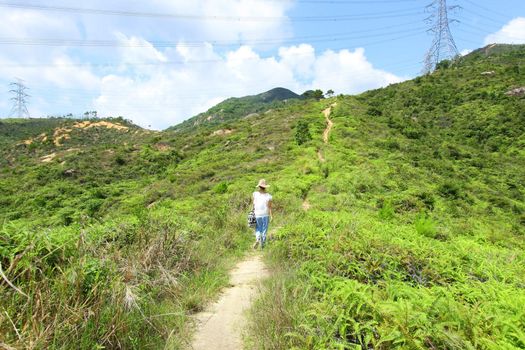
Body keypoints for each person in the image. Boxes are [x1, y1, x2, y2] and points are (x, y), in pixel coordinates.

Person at [252, 179, 272, 249]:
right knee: (264, 229)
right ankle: (263, 244)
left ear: (259, 186)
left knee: (258, 228)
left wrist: (252, 212)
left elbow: (253, 205)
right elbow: (269, 207)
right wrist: (271, 216)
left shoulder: (255, 194)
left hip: (257, 214)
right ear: (265, 187)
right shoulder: (269, 196)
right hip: (265, 214)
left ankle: (257, 239)